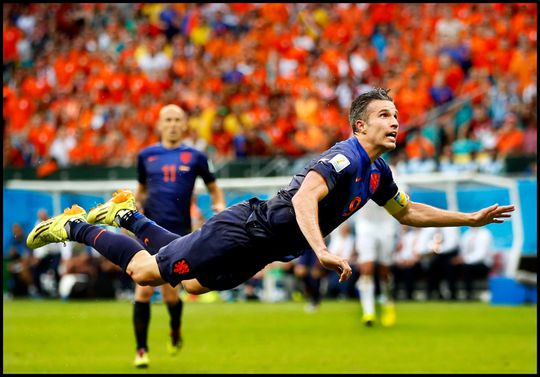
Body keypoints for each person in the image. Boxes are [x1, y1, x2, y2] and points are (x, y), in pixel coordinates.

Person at [27, 88, 515, 323]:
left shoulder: (377, 172)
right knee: (147, 276)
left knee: (192, 283)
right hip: (246, 229)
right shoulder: (345, 158)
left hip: (262, 249)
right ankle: (77, 227)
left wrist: (469, 217)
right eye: (384, 115)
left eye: (396, 114)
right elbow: (306, 197)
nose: (396, 121)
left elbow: (408, 212)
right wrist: (320, 249)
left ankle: (128, 216)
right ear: (359, 126)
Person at [131, 104, 225, 368]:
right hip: (148, 233)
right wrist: (132, 211)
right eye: (168, 120)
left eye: (177, 120)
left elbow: (214, 189)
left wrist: (218, 205)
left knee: (172, 296)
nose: (172, 124)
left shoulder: (195, 156)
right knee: (143, 291)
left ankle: (175, 329)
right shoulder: (146, 156)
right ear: (160, 125)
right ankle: (141, 350)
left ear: (184, 125)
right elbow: (140, 192)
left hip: (179, 235)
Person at [353, 199, 400, 327]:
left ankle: (388, 303)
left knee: (384, 271)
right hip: (365, 225)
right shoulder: (357, 178)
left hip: (387, 225)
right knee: (367, 268)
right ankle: (368, 312)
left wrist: (399, 233)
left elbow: (402, 204)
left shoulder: (397, 179)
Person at [452, 227, 494, 300]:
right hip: (467, 263)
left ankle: (469, 294)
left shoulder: (485, 234)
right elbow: (462, 251)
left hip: (483, 265)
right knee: (451, 266)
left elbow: (480, 255)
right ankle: (452, 293)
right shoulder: (467, 234)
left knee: (467, 267)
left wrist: (464, 259)